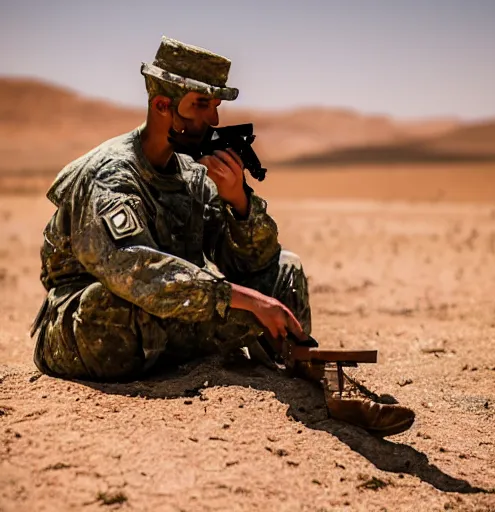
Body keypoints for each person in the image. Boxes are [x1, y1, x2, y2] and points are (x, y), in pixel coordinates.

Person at [31, 37, 415, 437]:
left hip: (165, 316)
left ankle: (314, 371)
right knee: (117, 303)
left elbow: (254, 263)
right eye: (201, 105)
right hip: (88, 327)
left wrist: (239, 203)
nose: (213, 121)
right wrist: (246, 300)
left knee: (283, 273)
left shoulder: (192, 175)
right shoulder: (110, 174)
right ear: (163, 105)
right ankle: (246, 349)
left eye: (216, 107)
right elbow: (136, 272)